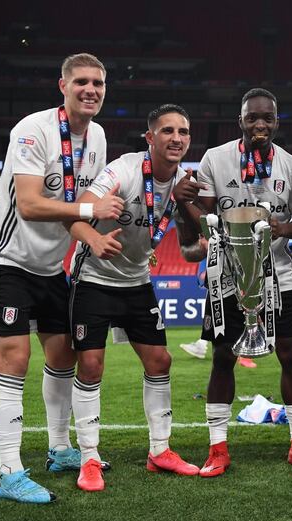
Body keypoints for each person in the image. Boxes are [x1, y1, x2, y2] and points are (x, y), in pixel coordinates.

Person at [0, 53, 123, 503]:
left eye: (98, 83)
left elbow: (78, 205)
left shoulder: (97, 136)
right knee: (15, 358)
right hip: (10, 261)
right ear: (62, 85)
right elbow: (29, 203)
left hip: (50, 267)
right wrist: (89, 212)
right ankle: (9, 472)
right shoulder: (32, 130)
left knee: (63, 356)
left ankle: (60, 449)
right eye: (81, 81)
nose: (90, 90)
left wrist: (92, 239)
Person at [173, 87, 292, 477]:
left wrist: (281, 227)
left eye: (267, 118)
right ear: (240, 120)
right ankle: (217, 449)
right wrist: (182, 201)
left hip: (280, 275)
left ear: (276, 122)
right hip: (228, 275)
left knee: (291, 354)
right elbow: (202, 215)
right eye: (252, 118)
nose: (260, 124)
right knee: (223, 358)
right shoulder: (215, 159)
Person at [65, 104, 200, 491]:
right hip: (93, 277)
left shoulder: (184, 183)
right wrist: (94, 235)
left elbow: (189, 245)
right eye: (167, 131)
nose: (177, 138)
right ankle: (89, 458)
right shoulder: (122, 170)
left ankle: (160, 450)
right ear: (150, 137)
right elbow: (74, 213)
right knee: (90, 366)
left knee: (160, 360)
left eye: (184, 132)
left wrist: (196, 216)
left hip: (137, 281)